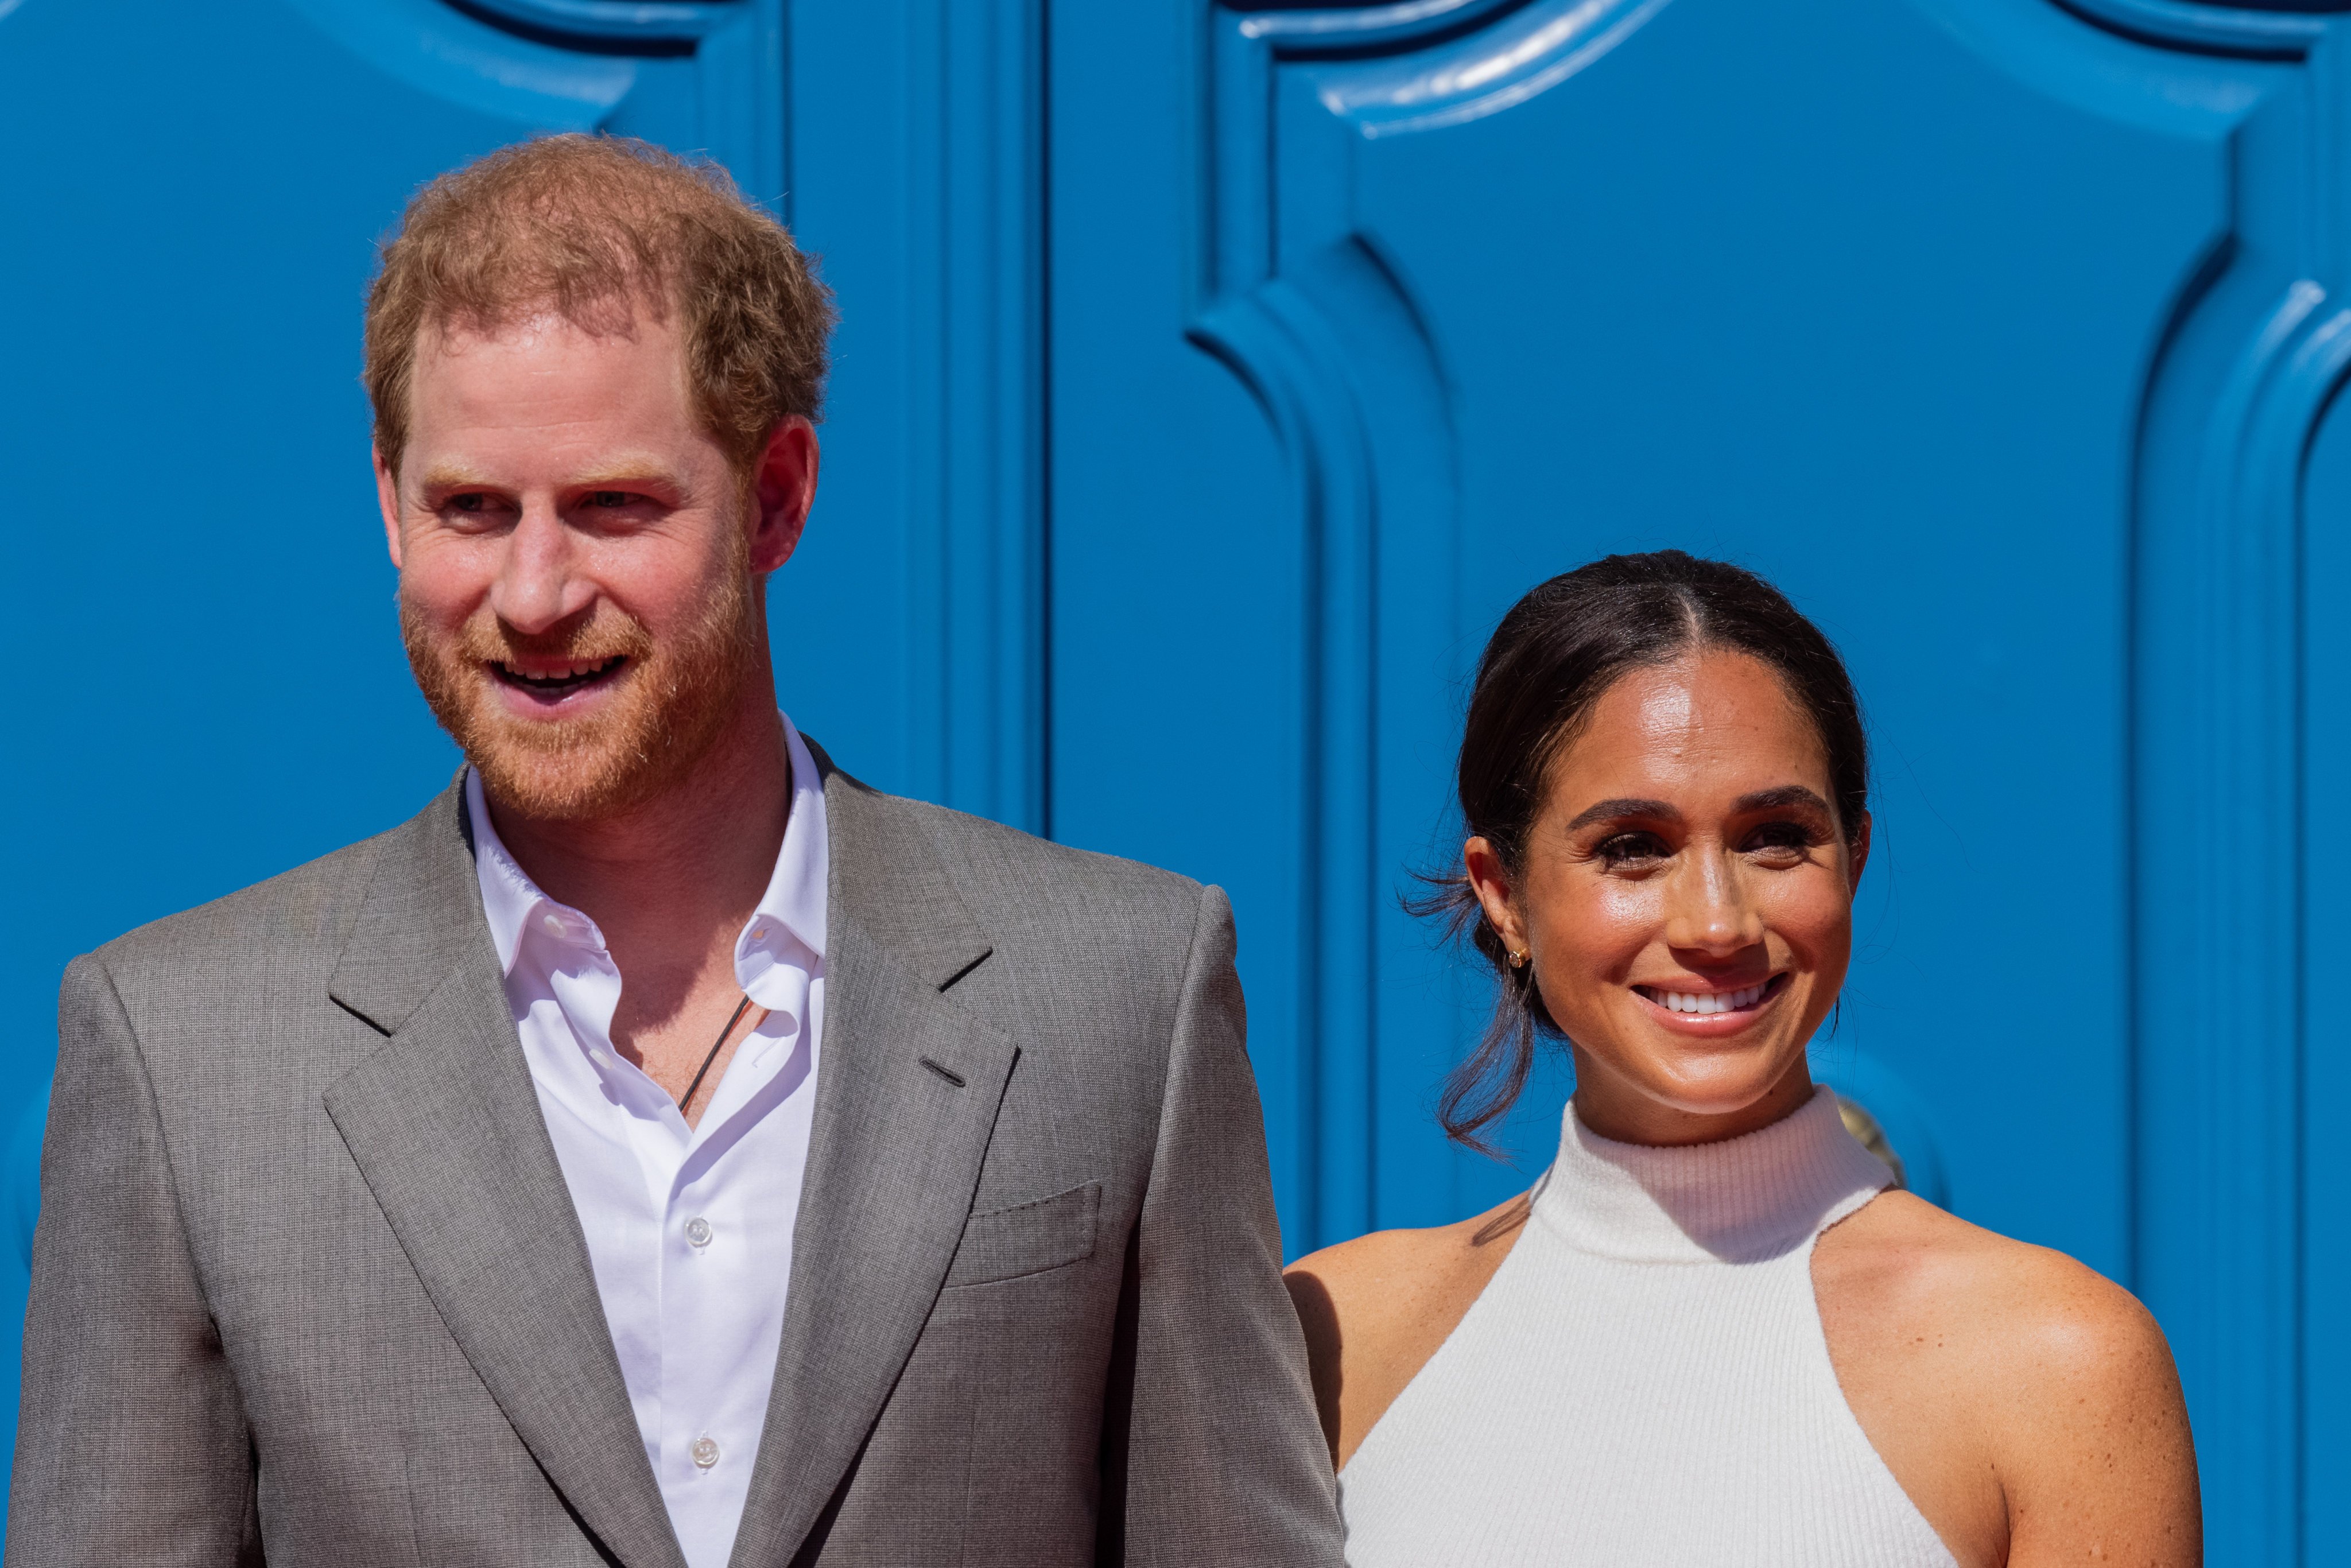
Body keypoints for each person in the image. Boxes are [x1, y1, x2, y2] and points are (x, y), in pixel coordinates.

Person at [7, 135, 1343, 1568]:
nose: (531, 593)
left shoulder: (1117, 991)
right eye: (470, 508)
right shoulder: (179, 1050)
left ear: (775, 496)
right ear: (390, 503)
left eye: (613, 506)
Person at [1286, 552, 2198, 1567]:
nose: (1716, 923)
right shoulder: (1334, 1334)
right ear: (1503, 895)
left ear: (1852, 857)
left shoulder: (2059, 1362)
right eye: (1633, 846)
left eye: (1775, 837)